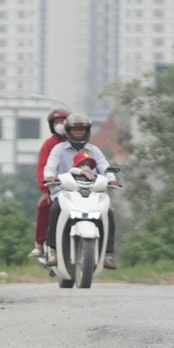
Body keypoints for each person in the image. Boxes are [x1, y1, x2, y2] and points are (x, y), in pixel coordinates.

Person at [42, 112, 119, 269]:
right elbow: (50, 167)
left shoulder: (94, 150)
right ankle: (54, 251)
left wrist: (111, 179)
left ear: (87, 131)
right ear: (68, 131)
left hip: (92, 194)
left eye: (81, 129)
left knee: (108, 212)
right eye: (75, 129)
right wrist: (50, 177)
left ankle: (105, 254)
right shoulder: (58, 149)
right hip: (65, 193)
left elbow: (105, 167)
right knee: (55, 209)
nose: (78, 132)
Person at [30, 108, 72, 258]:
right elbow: (42, 167)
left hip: (78, 187)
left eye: (62, 121)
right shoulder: (49, 144)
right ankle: (40, 244)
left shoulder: (78, 142)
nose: (59, 124)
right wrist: (45, 190)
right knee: (44, 206)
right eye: (56, 122)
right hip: (56, 188)